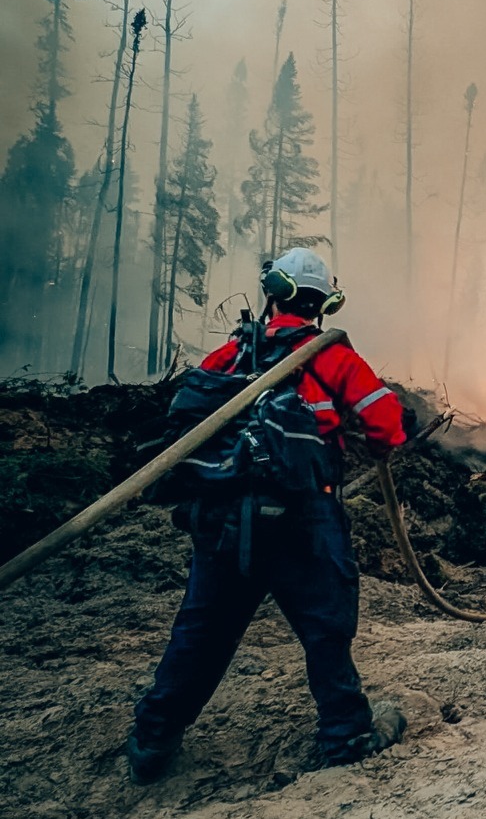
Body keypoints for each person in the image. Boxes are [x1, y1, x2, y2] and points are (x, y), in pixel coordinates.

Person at [127, 247, 408, 784]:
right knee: (325, 628)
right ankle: (346, 735)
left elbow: (183, 426)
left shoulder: (225, 358)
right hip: (302, 519)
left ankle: (153, 740)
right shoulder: (330, 354)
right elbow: (387, 427)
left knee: (203, 630)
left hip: (222, 519)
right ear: (323, 302)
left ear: (273, 294)